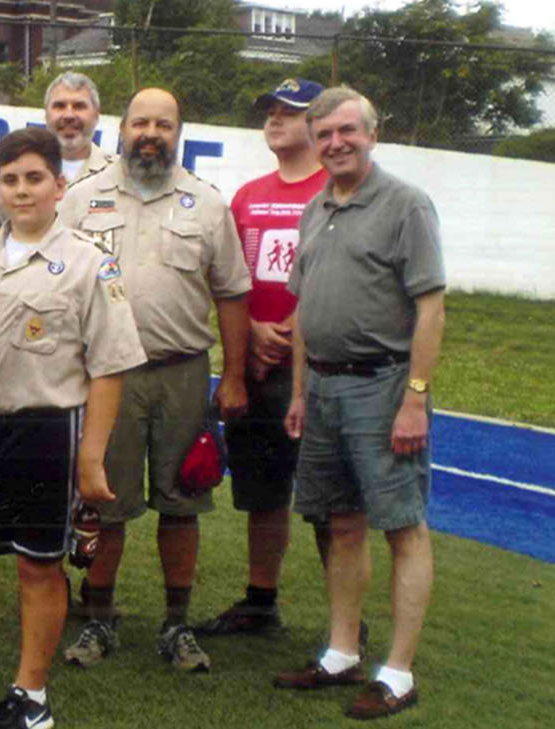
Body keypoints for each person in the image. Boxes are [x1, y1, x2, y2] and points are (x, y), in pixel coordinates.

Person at [0, 127, 145, 728]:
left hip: (49, 434)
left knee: (39, 566)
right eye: (10, 179)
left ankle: (31, 698)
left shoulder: (92, 264)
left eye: (35, 177)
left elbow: (110, 367)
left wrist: (92, 458)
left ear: (60, 185)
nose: (21, 190)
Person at [58, 87, 251, 672]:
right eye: (140, 122)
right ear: (121, 129)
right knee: (103, 502)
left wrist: (235, 376)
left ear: (178, 132)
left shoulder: (207, 204)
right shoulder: (81, 198)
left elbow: (232, 293)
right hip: (105, 375)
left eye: (163, 125)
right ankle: (98, 622)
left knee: (183, 503)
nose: (151, 133)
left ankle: (176, 625)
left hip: (181, 373)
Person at [273, 86, 444, 721]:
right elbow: (304, 310)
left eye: (348, 131)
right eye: (325, 134)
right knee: (339, 522)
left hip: (383, 386)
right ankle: (342, 652)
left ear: (372, 134)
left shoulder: (407, 206)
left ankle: (397, 672)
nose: (336, 142)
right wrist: (297, 391)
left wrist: (415, 399)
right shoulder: (316, 209)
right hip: (321, 388)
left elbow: (430, 307)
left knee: (402, 526)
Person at [195, 78, 331, 639]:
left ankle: (345, 620)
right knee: (262, 493)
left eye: (290, 112)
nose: (275, 120)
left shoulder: (333, 189)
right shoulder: (249, 195)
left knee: (329, 500)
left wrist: (294, 331)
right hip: (257, 363)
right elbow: (230, 279)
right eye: (270, 112)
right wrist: (249, 330)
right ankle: (260, 599)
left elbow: (339, 272)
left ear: (317, 123)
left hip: (316, 366)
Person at [0, 71, 114, 226]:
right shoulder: (14, 176)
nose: (69, 115)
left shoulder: (118, 175)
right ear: (46, 115)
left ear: (96, 115)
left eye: (79, 106)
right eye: (59, 106)